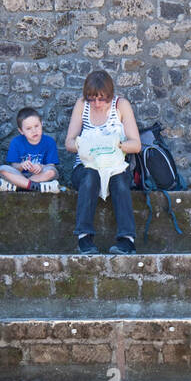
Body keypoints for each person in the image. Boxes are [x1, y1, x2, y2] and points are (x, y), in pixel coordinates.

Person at [64, 69, 142, 255]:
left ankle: (126, 239)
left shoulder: (121, 106)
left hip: (114, 166)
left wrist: (116, 144)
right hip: (86, 166)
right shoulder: (82, 106)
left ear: (110, 95)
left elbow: (136, 144)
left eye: (102, 99)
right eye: (92, 99)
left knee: (120, 181)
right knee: (90, 176)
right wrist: (86, 145)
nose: (97, 103)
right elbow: (69, 142)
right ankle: (84, 238)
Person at [0, 107, 60, 192]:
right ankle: (37, 186)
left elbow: (51, 165)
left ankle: (19, 186)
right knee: (2, 169)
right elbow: (14, 166)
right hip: (20, 175)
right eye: (28, 128)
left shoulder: (49, 142)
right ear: (21, 131)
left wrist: (41, 166)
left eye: (36, 126)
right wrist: (21, 165)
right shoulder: (16, 142)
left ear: (42, 124)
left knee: (52, 172)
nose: (34, 131)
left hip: (39, 176)